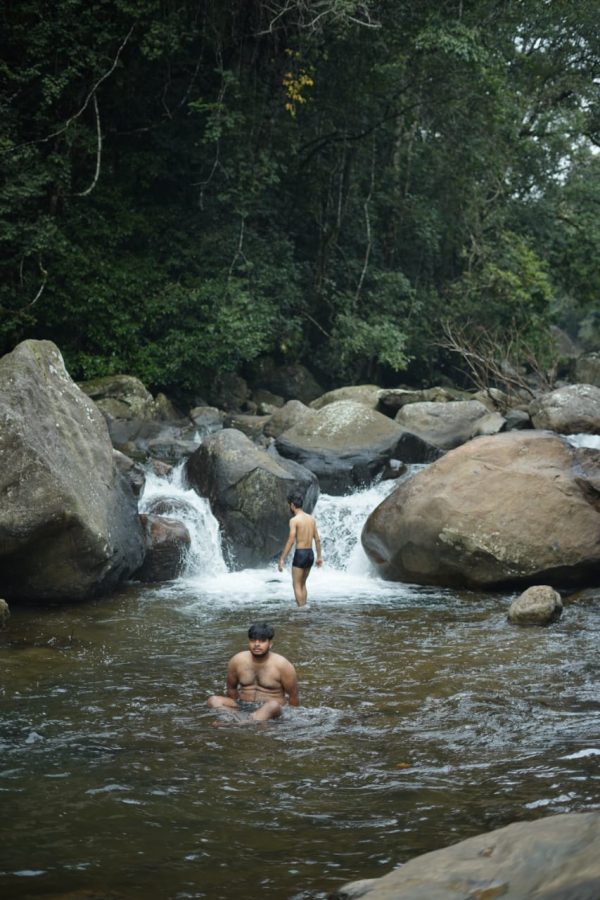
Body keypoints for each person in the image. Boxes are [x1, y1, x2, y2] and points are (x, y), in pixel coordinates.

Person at [207, 623, 299, 723]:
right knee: (213, 700)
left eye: (262, 641)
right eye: (253, 640)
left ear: (270, 644)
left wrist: (291, 720)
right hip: (243, 706)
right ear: (249, 642)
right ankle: (238, 721)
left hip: (271, 710)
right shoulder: (237, 660)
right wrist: (232, 712)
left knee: (272, 705)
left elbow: (293, 697)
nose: (256, 644)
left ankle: (237, 724)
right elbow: (231, 689)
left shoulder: (283, 665)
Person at [278, 492, 322, 607]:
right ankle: (304, 608)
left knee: (296, 584)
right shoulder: (311, 519)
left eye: (289, 505)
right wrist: (319, 557)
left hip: (301, 554)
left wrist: (282, 558)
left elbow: (291, 540)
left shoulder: (294, 520)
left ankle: (301, 610)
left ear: (292, 505)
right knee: (303, 584)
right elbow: (317, 539)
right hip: (310, 554)